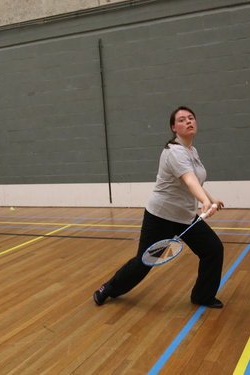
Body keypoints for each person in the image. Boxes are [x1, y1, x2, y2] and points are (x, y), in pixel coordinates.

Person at [93, 106, 225, 308]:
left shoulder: (192, 151)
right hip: (161, 217)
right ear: (174, 127)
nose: (188, 121)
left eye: (191, 118)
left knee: (213, 249)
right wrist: (205, 203)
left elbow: (196, 181)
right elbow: (189, 181)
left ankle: (202, 296)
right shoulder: (174, 152)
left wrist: (211, 198)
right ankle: (107, 289)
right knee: (144, 262)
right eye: (182, 120)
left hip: (184, 217)